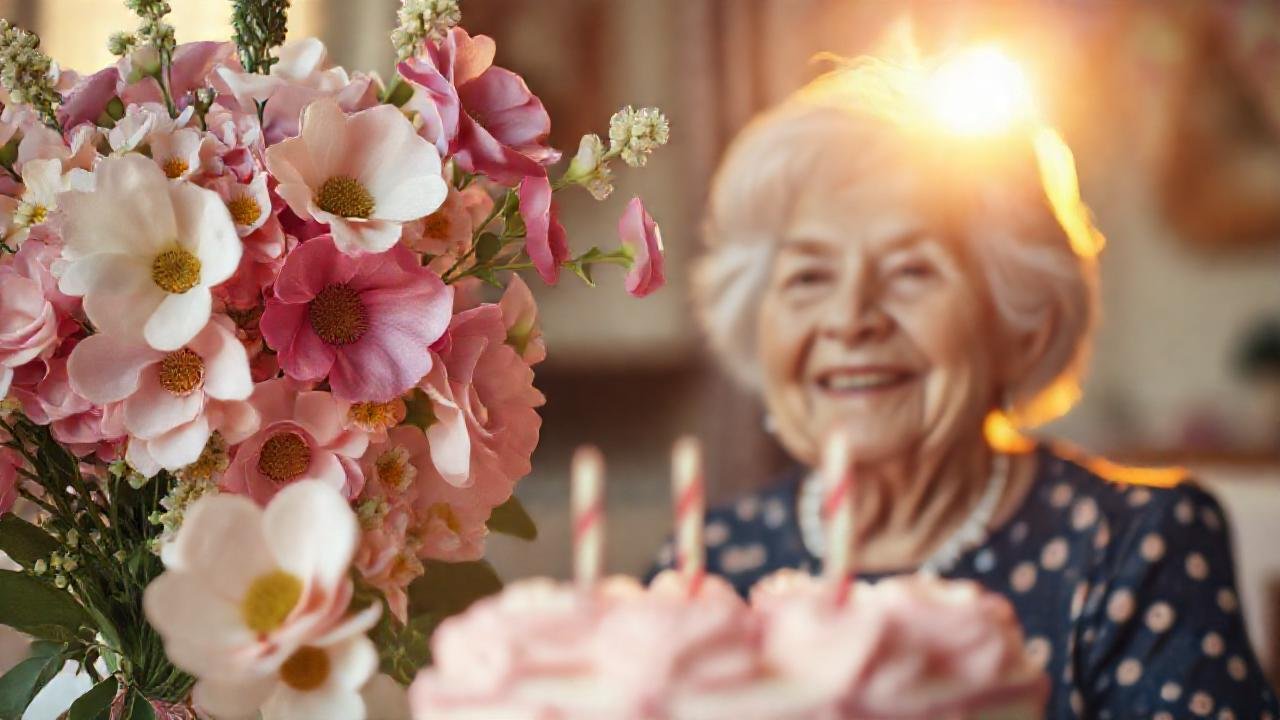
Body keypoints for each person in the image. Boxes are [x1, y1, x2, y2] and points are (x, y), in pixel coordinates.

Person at [657, 52, 1280, 718]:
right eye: (808, 277)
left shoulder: (1132, 546)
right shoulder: (707, 561)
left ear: (1019, 326)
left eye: (911, 271)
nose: (849, 318)